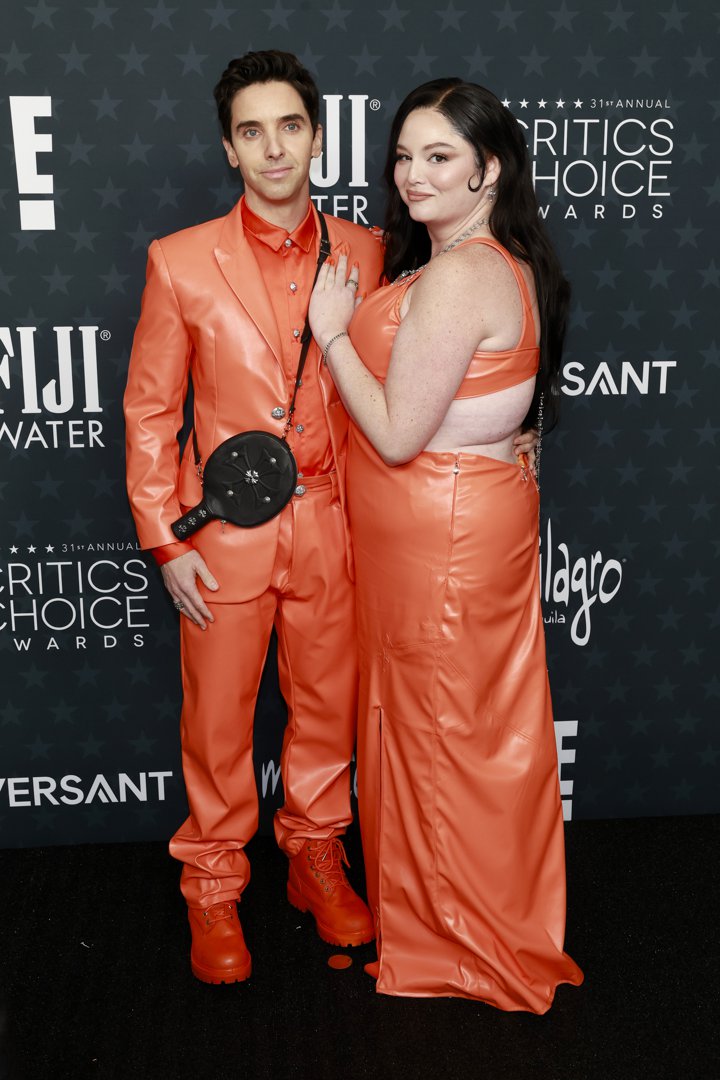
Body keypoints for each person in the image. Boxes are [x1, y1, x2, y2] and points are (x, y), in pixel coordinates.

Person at [309, 78, 584, 1012]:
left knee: (442, 733)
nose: (413, 174)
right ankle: (457, 913)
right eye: (403, 155)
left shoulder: (465, 271)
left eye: (440, 157)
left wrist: (332, 335)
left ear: (489, 170)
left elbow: (394, 433)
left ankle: (459, 938)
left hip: (444, 537)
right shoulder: (480, 261)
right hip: (452, 524)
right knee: (461, 727)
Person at [123, 50, 386, 984]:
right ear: (229, 148)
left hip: (334, 522)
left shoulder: (367, 252)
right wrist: (163, 540)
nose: (274, 148)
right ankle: (214, 885)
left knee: (326, 710)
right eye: (251, 131)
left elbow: (404, 388)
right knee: (218, 724)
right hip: (222, 533)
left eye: (290, 126)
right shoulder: (180, 260)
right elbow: (153, 412)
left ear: (316, 135)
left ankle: (317, 856)